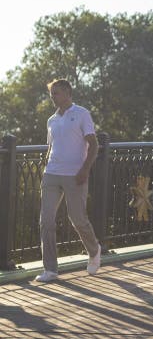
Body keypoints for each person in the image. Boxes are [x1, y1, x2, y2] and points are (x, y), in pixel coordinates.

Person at [35, 79, 102, 282]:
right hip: (52, 174)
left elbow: (94, 144)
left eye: (55, 93)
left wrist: (84, 170)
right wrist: (45, 167)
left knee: (77, 219)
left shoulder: (81, 113)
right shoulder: (51, 120)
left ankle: (94, 250)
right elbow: (51, 147)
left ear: (66, 93)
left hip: (75, 174)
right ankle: (51, 269)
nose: (52, 96)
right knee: (46, 220)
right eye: (51, 93)